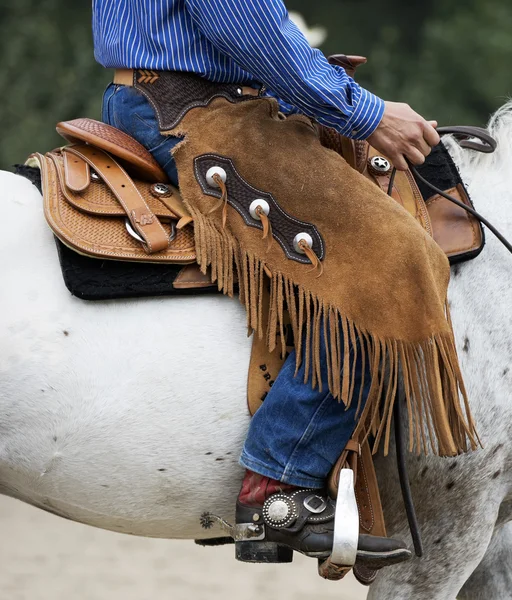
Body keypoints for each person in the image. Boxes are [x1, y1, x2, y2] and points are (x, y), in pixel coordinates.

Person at [93, 0, 441, 569]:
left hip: (184, 98)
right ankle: (278, 483)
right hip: (199, 112)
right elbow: (248, 27)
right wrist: (369, 114)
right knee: (394, 261)